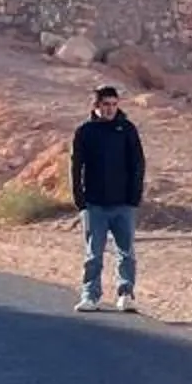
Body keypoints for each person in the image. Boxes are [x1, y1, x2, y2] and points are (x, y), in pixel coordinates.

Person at [68, 83, 147, 314]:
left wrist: (134, 196)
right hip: (94, 204)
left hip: (123, 204)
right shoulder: (85, 132)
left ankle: (126, 293)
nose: (110, 109)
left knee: (126, 252)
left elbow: (138, 164)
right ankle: (90, 295)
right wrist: (79, 199)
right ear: (96, 106)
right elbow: (76, 166)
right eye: (106, 105)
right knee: (94, 253)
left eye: (114, 104)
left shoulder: (127, 129)